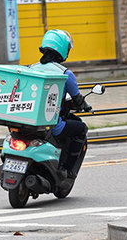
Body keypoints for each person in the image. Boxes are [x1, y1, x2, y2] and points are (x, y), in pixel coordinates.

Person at [31, 29, 91, 179]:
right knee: (81, 129)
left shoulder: (31, 68)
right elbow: (77, 99)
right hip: (50, 125)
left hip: (28, 121)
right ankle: (67, 169)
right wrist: (85, 106)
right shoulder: (65, 73)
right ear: (63, 49)